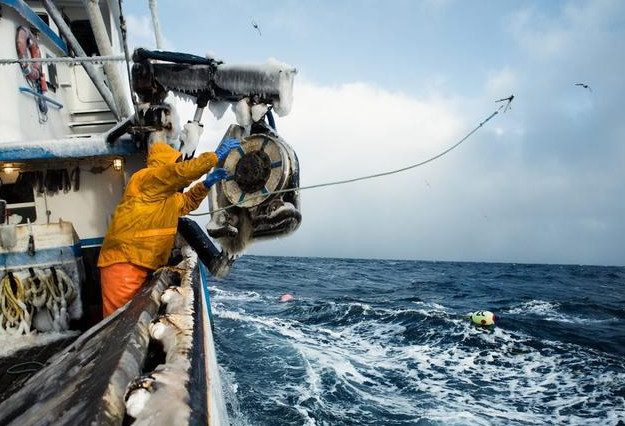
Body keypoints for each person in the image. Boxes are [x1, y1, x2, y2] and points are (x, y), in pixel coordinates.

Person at [98, 138, 239, 317]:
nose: (179, 166)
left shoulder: (168, 198)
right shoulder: (143, 179)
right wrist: (214, 157)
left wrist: (206, 184)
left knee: (134, 319)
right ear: (165, 164)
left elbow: (187, 202)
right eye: (176, 163)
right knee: (118, 321)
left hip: (143, 264)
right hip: (123, 263)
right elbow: (178, 173)